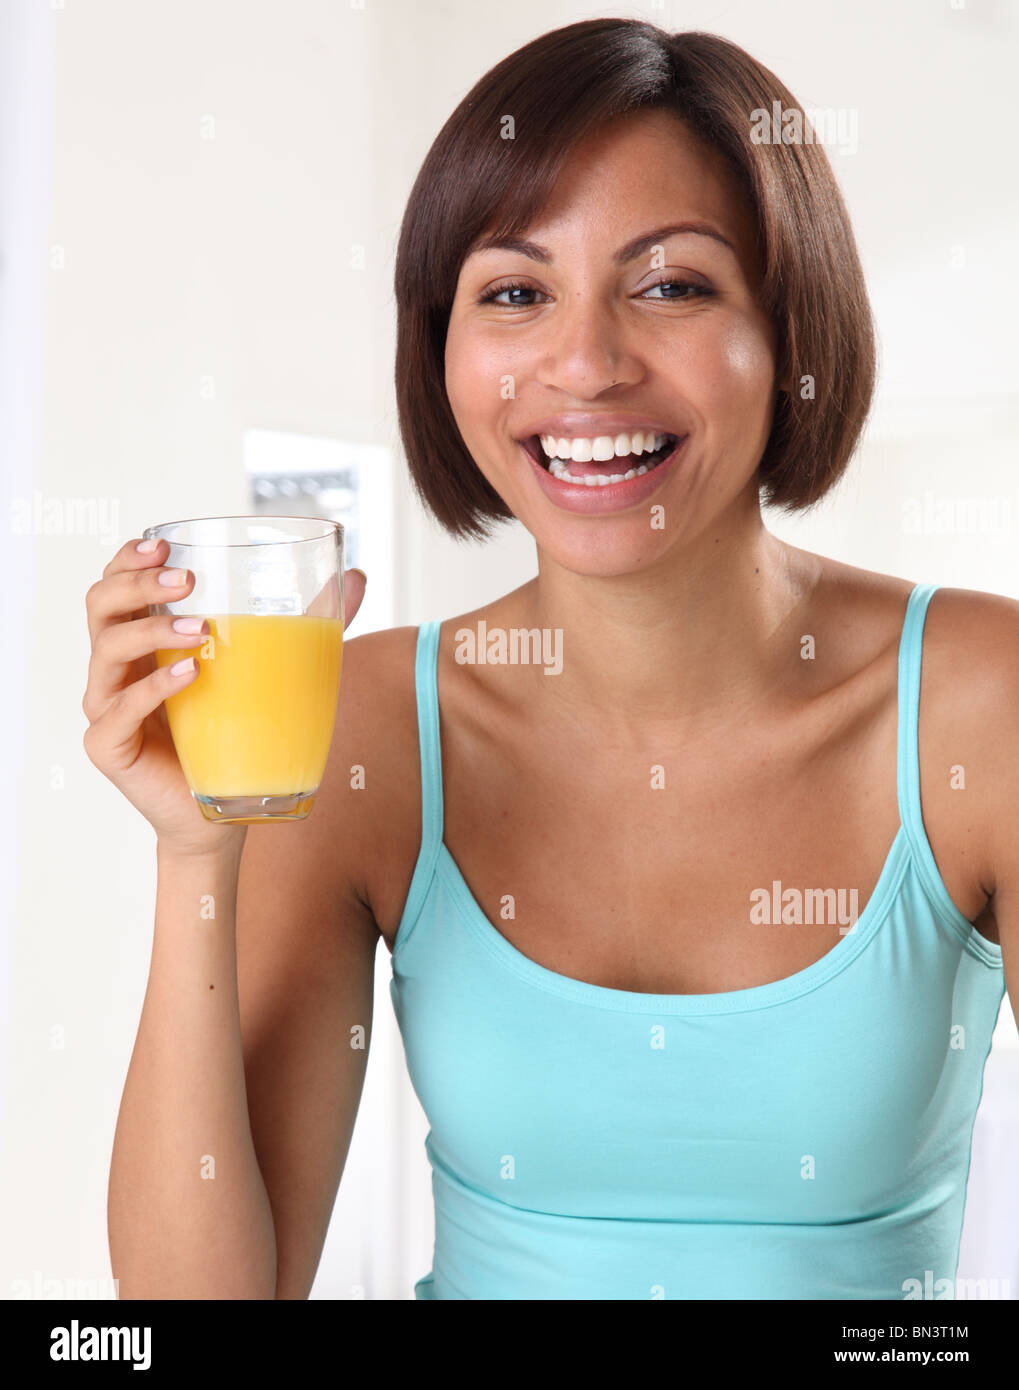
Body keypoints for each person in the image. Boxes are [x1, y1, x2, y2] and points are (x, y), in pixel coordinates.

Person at [85, 19, 1016, 1301]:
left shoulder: (978, 703)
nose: (583, 365)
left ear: (789, 331)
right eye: (515, 294)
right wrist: (197, 852)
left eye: (671, 286)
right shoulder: (367, 731)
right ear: (441, 349)